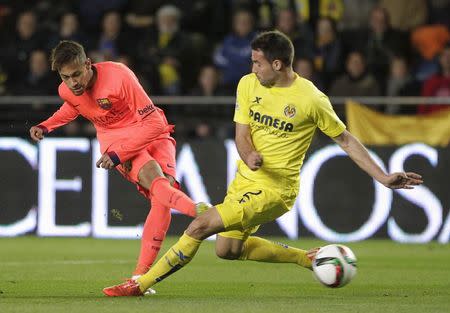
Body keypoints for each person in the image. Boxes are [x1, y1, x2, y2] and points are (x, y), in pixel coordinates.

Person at [102, 31, 424, 297]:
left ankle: (140, 283)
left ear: (278, 63)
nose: (253, 68)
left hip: (276, 190)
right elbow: (242, 133)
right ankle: (307, 258)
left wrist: (382, 177)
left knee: (200, 226)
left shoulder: (311, 100)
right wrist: (248, 154)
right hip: (245, 180)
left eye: (258, 62)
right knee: (226, 250)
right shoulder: (248, 84)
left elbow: (346, 140)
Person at [28, 40, 206, 293]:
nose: (73, 83)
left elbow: (154, 124)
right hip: (117, 140)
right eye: (66, 77)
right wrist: (47, 125)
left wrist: (119, 154)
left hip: (152, 132)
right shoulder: (67, 90)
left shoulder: (119, 75)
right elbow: (73, 107)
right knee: (159, 188)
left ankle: (139, 279)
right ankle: (202, 212)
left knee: (161, 198)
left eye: (77, 74)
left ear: (88, 63)